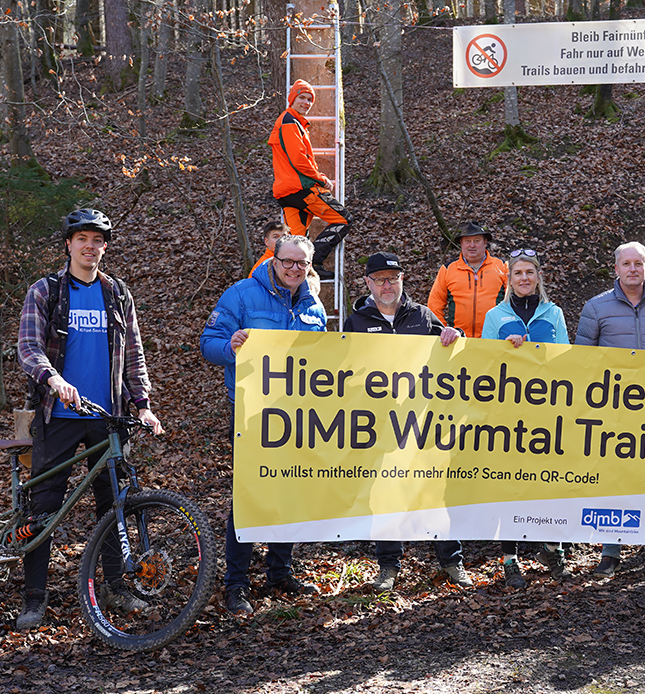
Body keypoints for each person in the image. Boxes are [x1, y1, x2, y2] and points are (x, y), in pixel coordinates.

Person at [15, 208, 164, 630]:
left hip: (108, 416)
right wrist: (54, 378)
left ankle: (116, 586)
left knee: (113, 502)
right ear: (68, 244)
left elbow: (134, 353)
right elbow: (28, 347)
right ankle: (34, 597)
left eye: (97, 240)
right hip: (58, 413)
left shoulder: (117, 294)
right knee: (44, 506)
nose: (89, 246)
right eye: (82, 238)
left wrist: (143, 404)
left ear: (104, 247)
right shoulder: (46, 291)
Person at [201, 234, 325, 615]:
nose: (294, 269)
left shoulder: (312, 304)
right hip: (252, 415)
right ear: (274, 260)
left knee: (288, 493)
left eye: (301, 264)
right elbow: (208, 342)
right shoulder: (241, 294)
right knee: (250, 499)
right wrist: (230, 346)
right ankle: (236, 584)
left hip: (296, 415)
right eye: (287, 262)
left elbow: (323, 357)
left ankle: (279, 572)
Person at [342, 252, 474, 591]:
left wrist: (454, 335)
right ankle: (388, 566)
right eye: (381, 279)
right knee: (385, 495)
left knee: (435, 491)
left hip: (424, 424)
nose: (388, 285)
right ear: (368, 283)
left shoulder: (422, 316)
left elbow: (451, 349)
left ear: (403, 279)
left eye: (394, 278)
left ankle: (452, 562)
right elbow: (342, 371)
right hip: (379, 426)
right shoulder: (356, 321)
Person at [575, 241, 645, 579]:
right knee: (615, 480)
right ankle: (610, 551)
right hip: (613, 412)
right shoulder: (596, 308)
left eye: (639, 263)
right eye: (626, 263)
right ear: (616, 269)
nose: (633, 269)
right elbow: (582, 361)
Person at [480, 249, 573, 587]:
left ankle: (552, 548)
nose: (523, 278)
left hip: (547, 413)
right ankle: (509, 558)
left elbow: (564, 359)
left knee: (549, 482)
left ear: (538, 277)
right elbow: (484, 366)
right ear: (510, 278)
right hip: (509, 416)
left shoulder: (555, 313)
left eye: (529, 273)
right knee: (511, 484)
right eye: (517, 272)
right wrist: (506, 349)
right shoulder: (495, 315)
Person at [266, 80, 353, 273]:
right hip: (302, 189)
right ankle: (314, 263)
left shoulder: (291, 121)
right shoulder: (289, 122)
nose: (306, 102)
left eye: (309, 100)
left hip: (286, 193)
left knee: (295, 242)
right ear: (292, 99)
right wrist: (320, 178)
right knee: (344, 219)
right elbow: (299, 160)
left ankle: (287, 278)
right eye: (302, 98)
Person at [427, 222, 508, 338]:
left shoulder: (502, 266)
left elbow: (514, 301)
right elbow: (434, 306)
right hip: (457, 339)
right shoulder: (448, 269)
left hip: (495, 338)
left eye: (477, 240)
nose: (472, 245)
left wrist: (507, 330)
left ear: (485, 242)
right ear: (461, 243)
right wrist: (443, 331)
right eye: (467, 241)